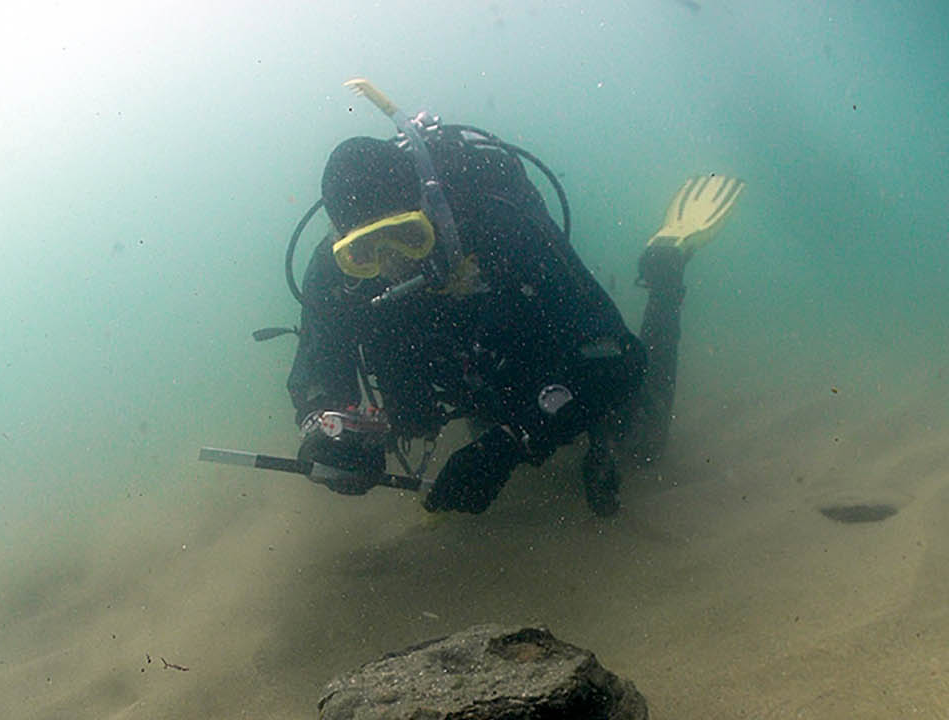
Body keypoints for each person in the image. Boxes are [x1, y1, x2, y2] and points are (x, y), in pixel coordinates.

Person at [287, 80, 744, 516]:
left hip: (541, 356)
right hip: (478, 376)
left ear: (434, 213)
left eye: (407, 236)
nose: (392, 263)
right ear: (340, 244)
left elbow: (616, 358)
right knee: (498, 443)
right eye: (363, 252)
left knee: (642, 442)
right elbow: (316, 374)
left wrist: (514, 441)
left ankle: (666, 267)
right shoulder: (333, 275)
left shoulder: (498, 225)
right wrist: (328, 437)